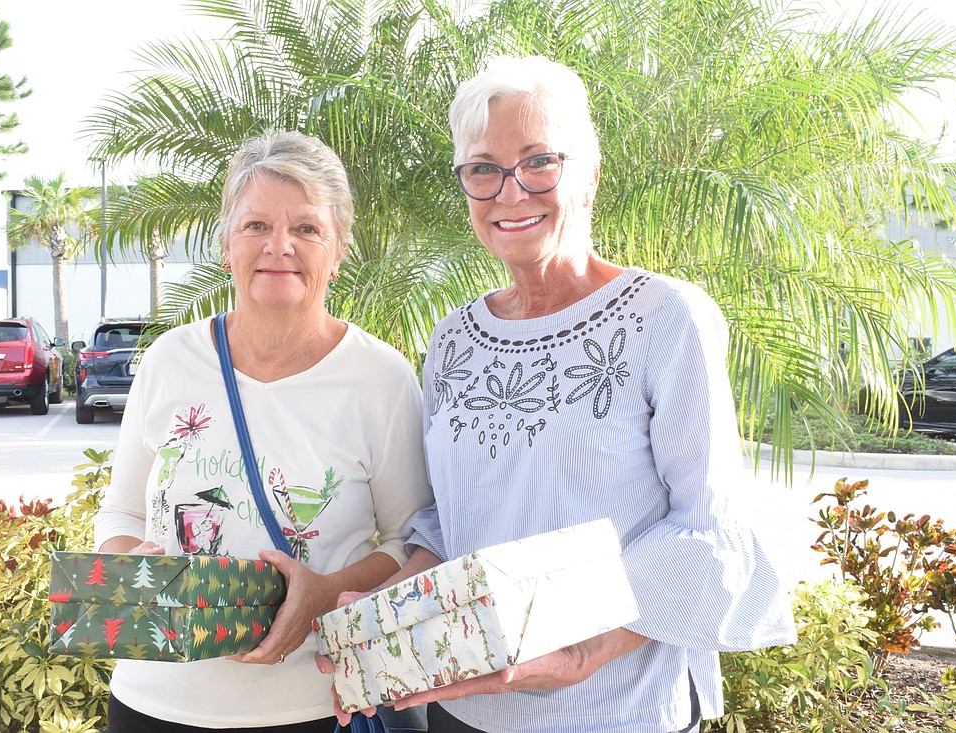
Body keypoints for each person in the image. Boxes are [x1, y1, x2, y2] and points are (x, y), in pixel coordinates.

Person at [330, 56, 797, 733]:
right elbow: (448, 522)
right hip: (468, 706)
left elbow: (707, 530)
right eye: (483, 168)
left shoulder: (666, 319)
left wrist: (581, 651)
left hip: (618, 711)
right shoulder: (454, 338)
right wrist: (381, 616)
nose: (510, 192)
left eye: (539, 160)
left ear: (590, 175)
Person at [94, 131, 433, 732]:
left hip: (310, 707)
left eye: (307, 228)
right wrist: (134, 565)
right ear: (226, 245)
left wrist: (326, 591)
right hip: (152, 700)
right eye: (256, 226)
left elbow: (414, 544)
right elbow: (120, 515)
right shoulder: (169, 360)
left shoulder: (380, 378)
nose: (280, 246)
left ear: (338, 250)